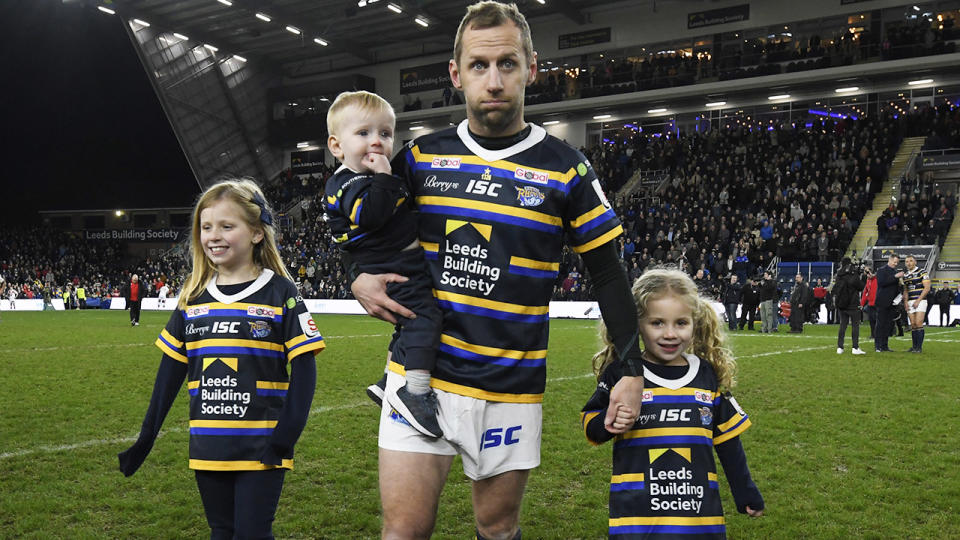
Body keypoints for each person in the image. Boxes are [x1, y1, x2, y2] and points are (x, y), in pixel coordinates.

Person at [348, 3, 646, 538]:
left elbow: (607, 272)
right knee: (403, 531)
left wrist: (629, 368)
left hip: (510, 386)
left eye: (507, 64)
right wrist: (354, 273)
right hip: (421, 379)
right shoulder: (417, 158)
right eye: (479, 66)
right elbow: (357, 220)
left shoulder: (567, 168)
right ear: (456, 73)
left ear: (531, 68)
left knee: (498, 529)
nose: (493, 80)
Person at [118, 179, 325, 539]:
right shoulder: (193, 296)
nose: (213, 235)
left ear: (257, 233)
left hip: (262, 446)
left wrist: (285, 437)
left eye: (227, 226)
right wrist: (147, 435)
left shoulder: (279, 291)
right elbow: (169, 373)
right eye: (206, 226)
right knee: (221, 531)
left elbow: (305, 367)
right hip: (208, 444)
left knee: (252, 533)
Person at [580, 268, 764, 537]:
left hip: (699, 521)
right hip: (637, 521)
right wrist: (609, 422)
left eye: (681, 323)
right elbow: (590, 424)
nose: (670, 334)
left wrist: (744, 490)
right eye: (657, 323)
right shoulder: (623, 374)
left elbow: (728, 442)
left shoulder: (706, 375)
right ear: (637, 324)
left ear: (694, 323)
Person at [324, 90, 444, 438]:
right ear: (336, 146)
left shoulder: (369, 178)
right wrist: (385, 178)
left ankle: (388, 380)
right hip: (393, 266)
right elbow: (373, 214)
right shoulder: (346, 182)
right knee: (424, 318)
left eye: (385, 134)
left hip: (401, 261)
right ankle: (415, 392)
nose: (376, 142)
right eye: (363, 134)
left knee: (405, 325)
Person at [833, 258, 866, 355]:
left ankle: (840, 347)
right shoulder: (852, 274)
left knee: (843, 325)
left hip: (842, 304)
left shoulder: (839, 275)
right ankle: (855, 347)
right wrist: (863, 277)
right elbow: (860, 287)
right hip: (853, 304)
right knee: (855, 325)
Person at [874, 253, 904, 352]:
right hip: (882, 302)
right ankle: (878, 346)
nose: (896, 264)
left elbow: (894, 287)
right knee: (880, 324)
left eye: (897, 262)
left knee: (888, 325)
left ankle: (885, 346)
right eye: (894, 262)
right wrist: (895, 277)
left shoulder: (894, 271)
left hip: (892, 302)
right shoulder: (881, 270)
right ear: (890, 260)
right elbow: (881, 282)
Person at [902, 255, 931, 353]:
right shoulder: (905, 275)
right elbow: (905, 289)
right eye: (906, 261)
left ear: (915, 262)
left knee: (919, 323)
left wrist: (918, 300)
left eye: (910, 261)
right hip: (910, 301)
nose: (908, 263)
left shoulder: (922, 272)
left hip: (920, 301)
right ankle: (914, 347)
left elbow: (927, 287)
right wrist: (905, 302)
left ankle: (919, 347)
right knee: (913, 324)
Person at [860, 265, 877, 339]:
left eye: (868, 272)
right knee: (871, 320)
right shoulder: (868, 281)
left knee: (877, 320)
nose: (867, 274)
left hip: (877, 303)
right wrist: (862, 304)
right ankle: (873, 335)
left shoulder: (876, 279)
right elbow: (865, 293)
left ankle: (878, 334)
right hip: (870, 303)